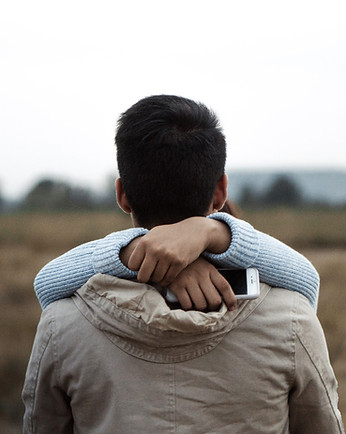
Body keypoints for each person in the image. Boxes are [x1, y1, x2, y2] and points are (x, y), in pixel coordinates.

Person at [22, 95, 344, 433]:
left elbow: (45, 284)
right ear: (221, 191)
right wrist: (215, 232)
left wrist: (132, 253)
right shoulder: (291, 318)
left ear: (122, 194)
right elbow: (306, 279)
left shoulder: (61, 326)